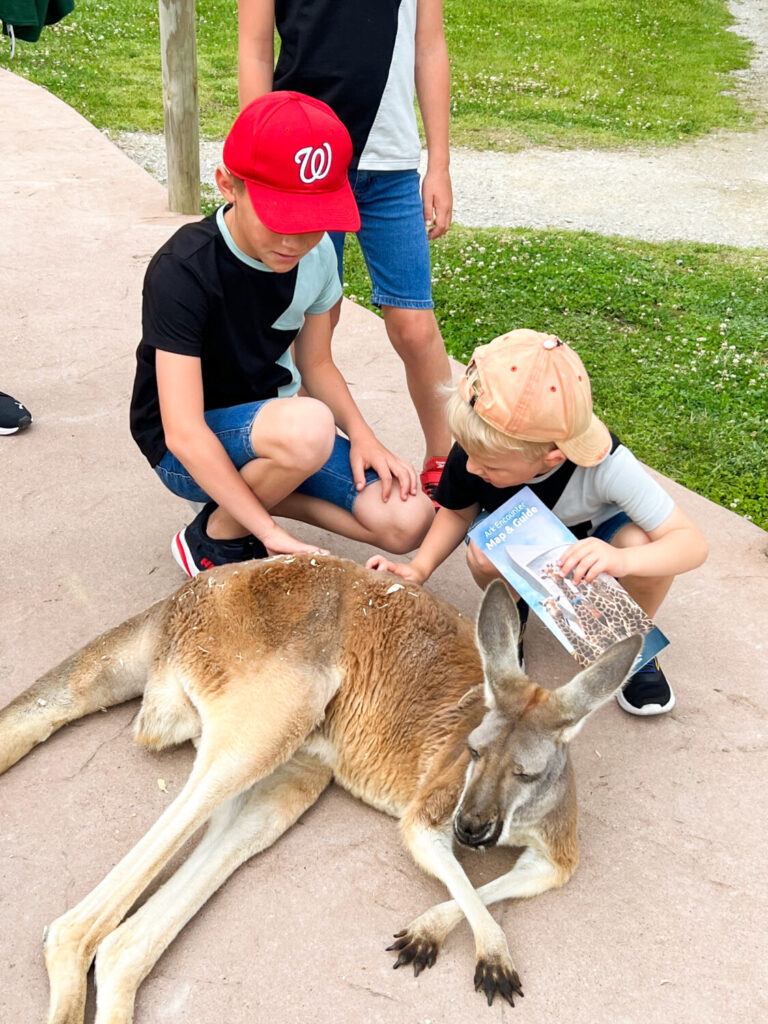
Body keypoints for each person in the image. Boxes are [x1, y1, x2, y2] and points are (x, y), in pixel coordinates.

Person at [130, 92, 434, 578]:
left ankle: (242, 506)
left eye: (313, 221)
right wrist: (267, 534)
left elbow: (316, 364)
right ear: (229, 185)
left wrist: (363, 435)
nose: (295, 240)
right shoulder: (182, 269)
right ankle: (218, 536)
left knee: (408, 518)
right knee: (309, 426)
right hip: (183, 448)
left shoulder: (316, 258)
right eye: (280, 216)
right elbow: (183, 431)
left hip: (280, 431)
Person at [367, 329, 709, 716]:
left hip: (597, 541)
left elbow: (691, 544)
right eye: (470, 455)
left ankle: (626, 642)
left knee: (641, 543)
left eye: (490, 466)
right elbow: (459, 511)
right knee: (484, 549)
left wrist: (622, 562)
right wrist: (419, 568)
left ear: (553, 457)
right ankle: (514, 620)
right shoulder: (476, 450)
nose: (473, 468)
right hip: (520, 542)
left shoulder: (608, 465)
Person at [237, 0, 454, 502]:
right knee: (315, 327)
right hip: (305, 163)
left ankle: (447, 460)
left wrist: (438, 163)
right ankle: (324, 457)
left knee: (415, 325)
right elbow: (253, 49)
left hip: (391, 167)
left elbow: (430, 46)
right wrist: (260, 155)